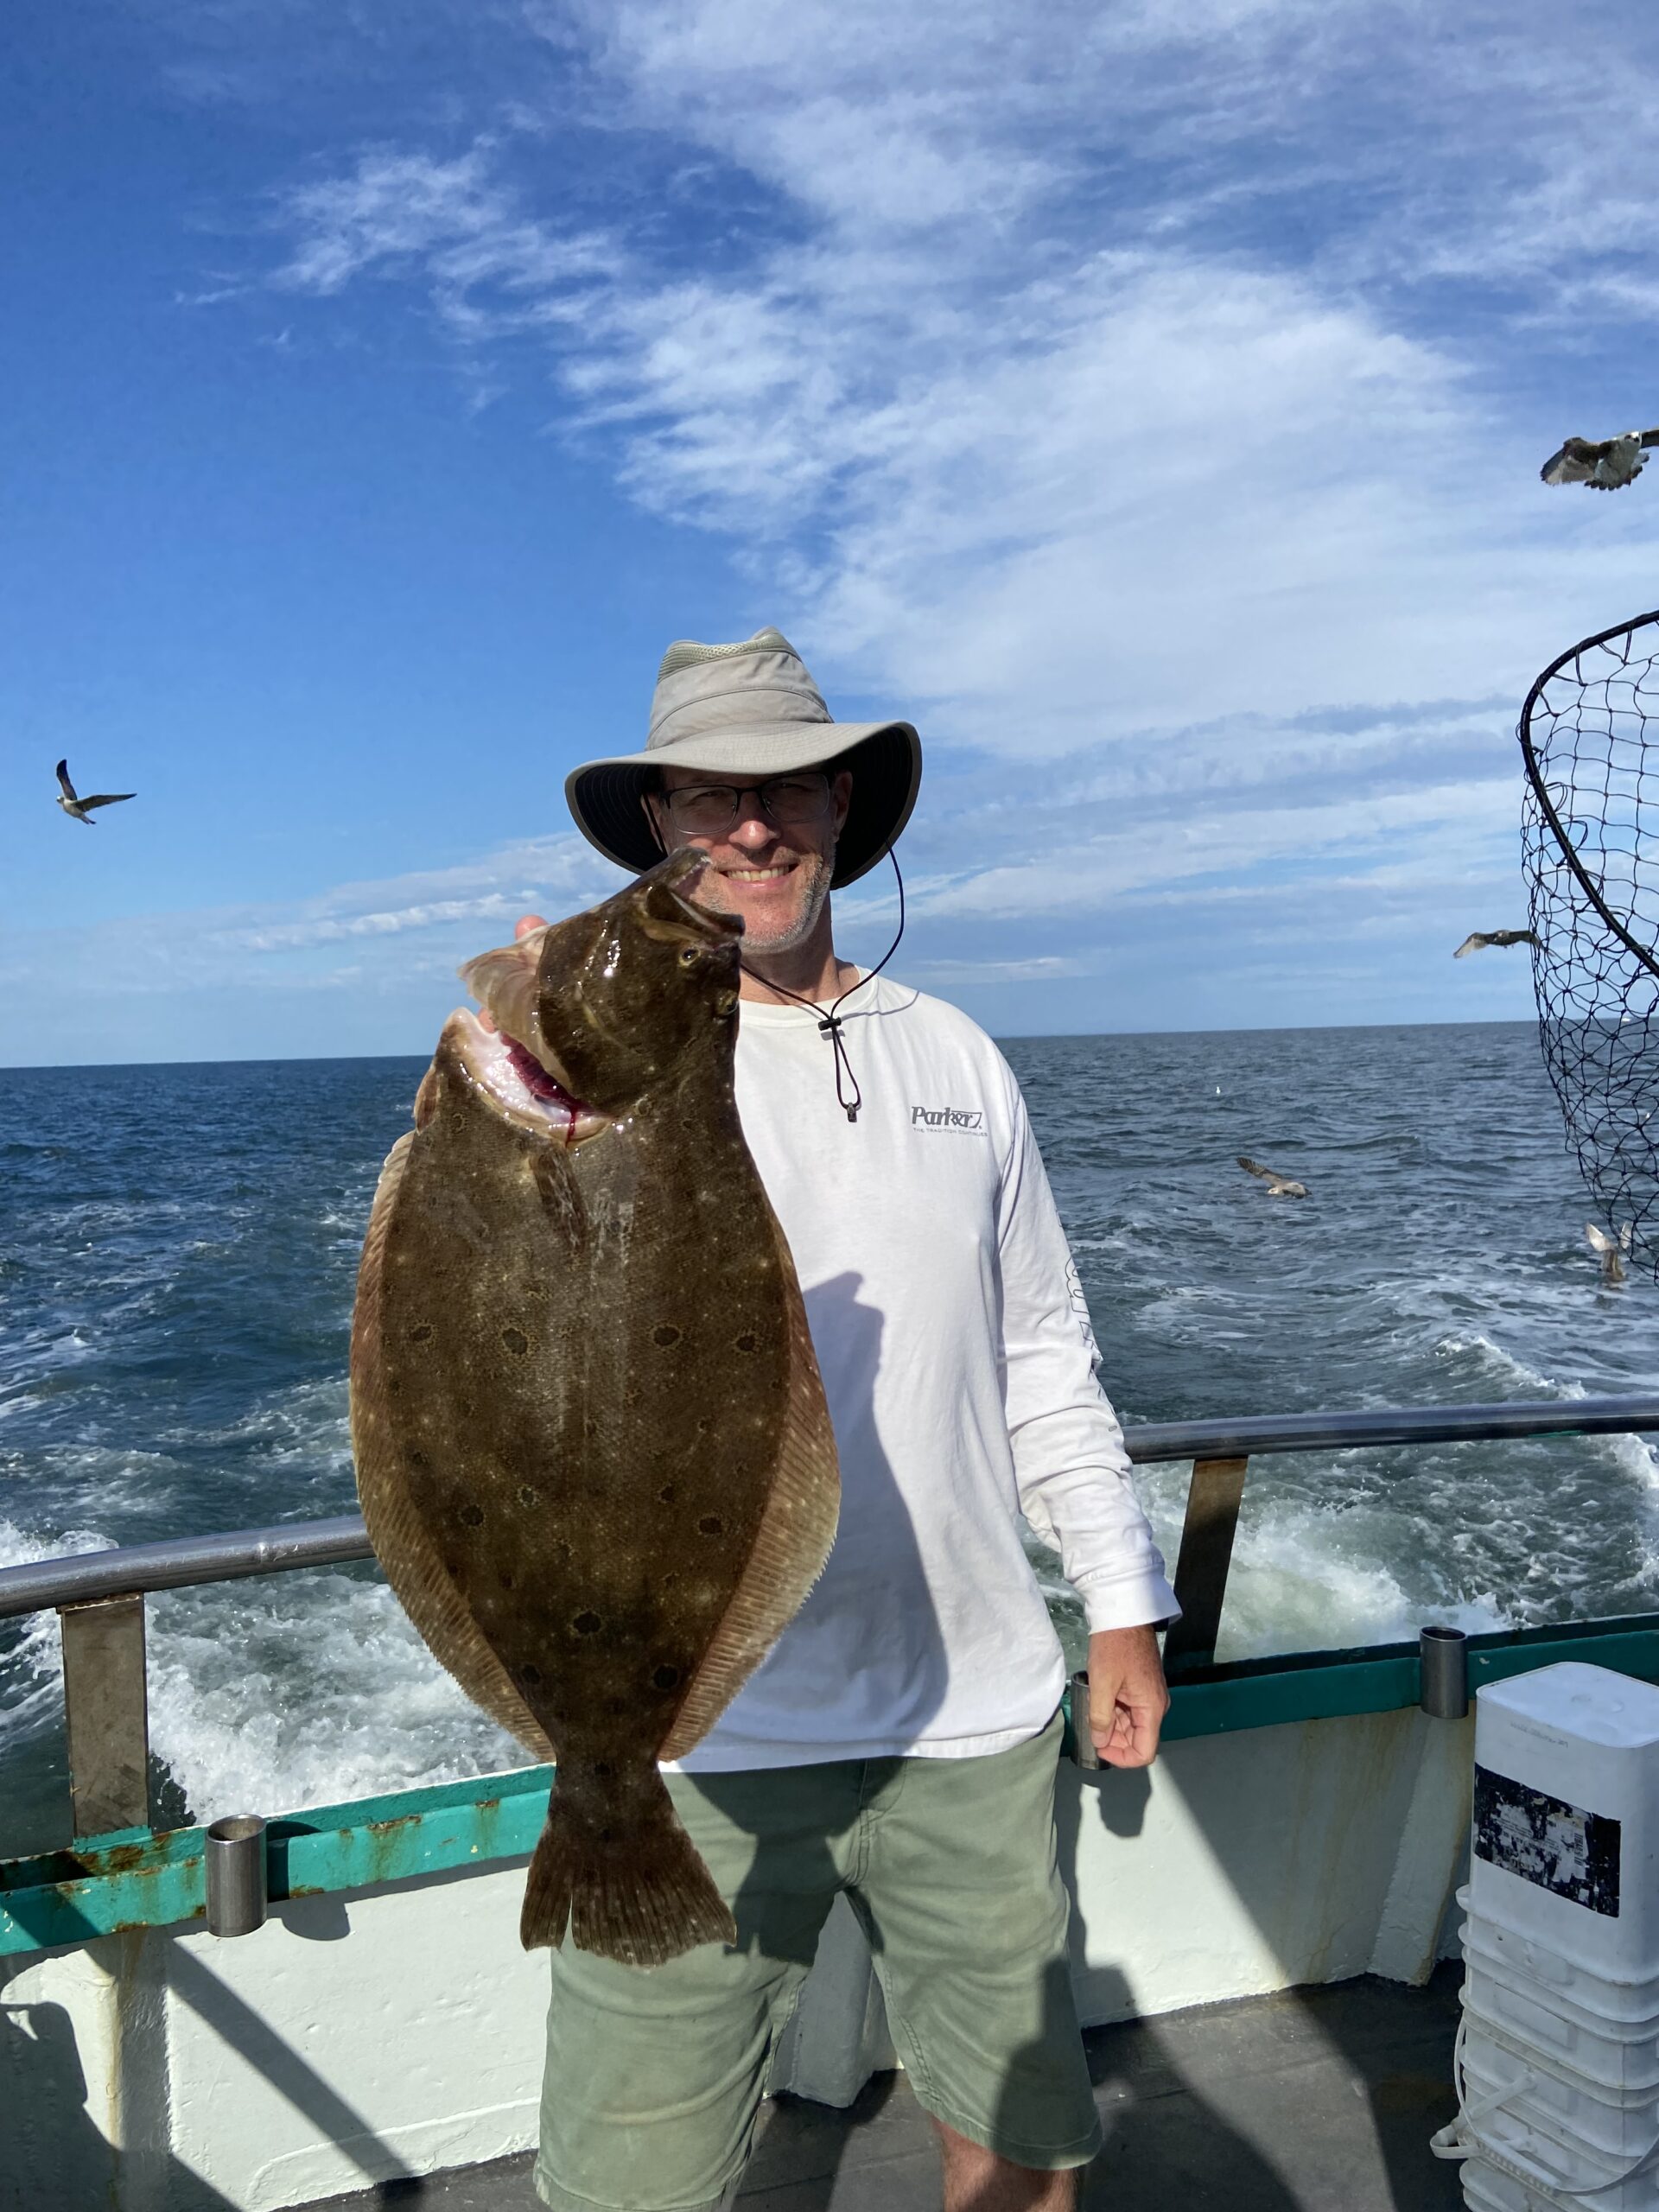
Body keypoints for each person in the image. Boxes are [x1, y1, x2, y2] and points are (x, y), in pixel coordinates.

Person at [512, 627, 1179, 2212]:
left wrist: (1123, 1603)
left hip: (976, 1715)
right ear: (658, 826)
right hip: (692, 1743)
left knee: (1019, 2150)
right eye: (709, 795)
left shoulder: (958, 1056)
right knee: (626, 2184)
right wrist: (539, 1073)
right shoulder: (578, 1070)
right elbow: (505, 1358)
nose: (754, 826)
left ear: (839, 805)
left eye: (788, 787)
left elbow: (1041, 1359)